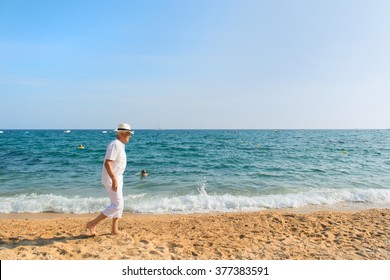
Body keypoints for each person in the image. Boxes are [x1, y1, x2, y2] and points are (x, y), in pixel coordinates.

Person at [87, 123, 134, 236]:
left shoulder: (120, 145)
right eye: (128, 134)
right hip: (112, 178)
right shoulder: (115, 145)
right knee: (117, 204)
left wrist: (117, 178)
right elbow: (108, 163)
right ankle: (92, 224)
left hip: (117, 177)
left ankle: (114, 229)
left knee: (120, 204)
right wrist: (114, 178)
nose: (130, 136)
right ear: (122, 134)